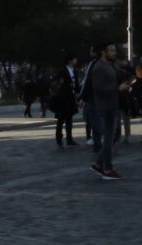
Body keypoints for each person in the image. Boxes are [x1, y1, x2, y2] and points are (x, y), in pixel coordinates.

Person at [89, 42, 130, 180]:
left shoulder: (110, 65)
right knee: (109, 139)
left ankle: (99, 163)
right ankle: (107, 169)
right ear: (103, 52)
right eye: (111, 50)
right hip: (106, 107)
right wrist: (117, 89)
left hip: (113, 105)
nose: (114, 53)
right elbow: (98, 88)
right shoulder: (99, 67)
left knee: (112, 138)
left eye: (114, 50)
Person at [52, 54, 80, 148]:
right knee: (60, 119)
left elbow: (76, 85)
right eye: (74, 59)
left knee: (69, 119)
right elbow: (57, 82)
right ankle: (59, 139)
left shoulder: (75, 71)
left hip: (70, 98)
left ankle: (69, 138)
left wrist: (77, 94)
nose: (76, 61)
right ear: (70, 61)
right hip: (62, 98)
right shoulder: (62, 70)